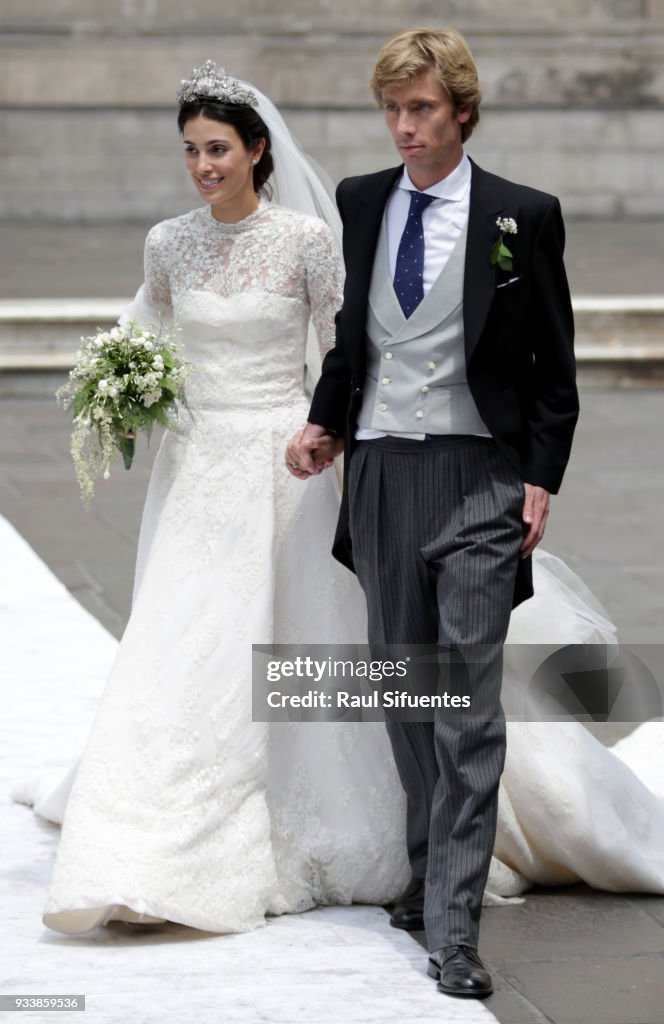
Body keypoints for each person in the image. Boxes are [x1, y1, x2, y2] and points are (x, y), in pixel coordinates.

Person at [28, 60, 411, 935]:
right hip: (197, 468)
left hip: (286, 462)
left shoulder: (309, 241)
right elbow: (152, 334)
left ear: (258, 149)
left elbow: (340, 355)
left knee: (295, 631)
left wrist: (331, 436)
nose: (203, 165)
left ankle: (305, 812)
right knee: (186, 632)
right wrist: (122, 386)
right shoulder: (168, 242)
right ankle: (154, 820)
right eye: (192, 151)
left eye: (219, 149)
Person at [288, 26, 578, 999]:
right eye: (390, 110)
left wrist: (540, 476)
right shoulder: (361, 202)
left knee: (463, 706)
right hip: (377, 479)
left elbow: (552, 373)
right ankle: (425, 868)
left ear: (460, 109)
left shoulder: (520, 217)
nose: (401, 127)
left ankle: (454, 926)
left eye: (418, 109)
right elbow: (348, 344)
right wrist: (324, 426)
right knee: (406, 692)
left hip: (479, 481)